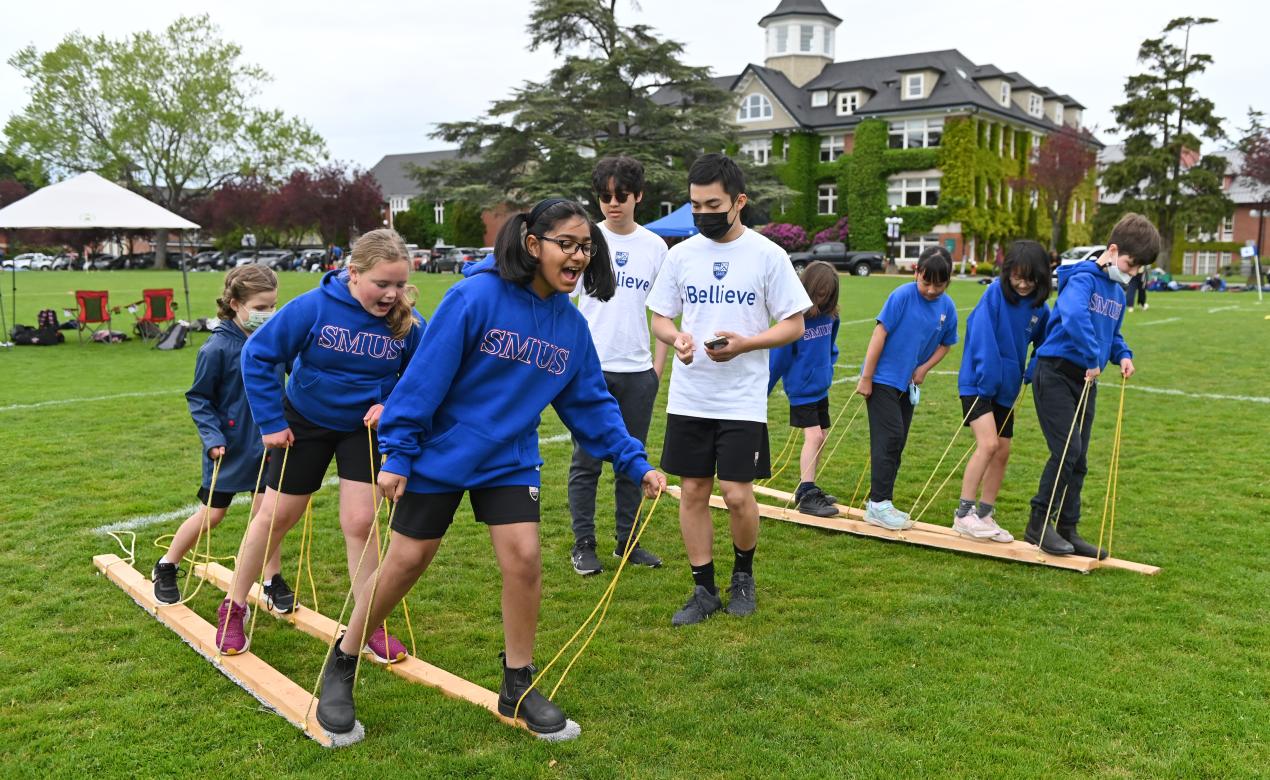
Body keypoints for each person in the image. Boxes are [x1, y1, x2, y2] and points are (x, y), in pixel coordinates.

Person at [313, 198, 667, 738]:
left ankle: (518, 684)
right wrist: (400, 451)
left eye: (585, 247)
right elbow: (424, 379)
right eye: (566, 244)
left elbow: (592, 405)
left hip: (509, 457)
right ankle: (344, 658)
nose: (577, 256)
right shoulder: (474, 296)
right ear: (533, 244)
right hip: (442, 453)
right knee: (407, 562)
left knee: (525, 559)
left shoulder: (571, 328)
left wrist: (633, 460)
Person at [215, 229, 425, 659]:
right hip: (303, 424)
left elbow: (423, 377)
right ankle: (234, 607)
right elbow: (257, 355)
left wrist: (391, 403)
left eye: (399, 284)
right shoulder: (313, 307)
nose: (391, 294)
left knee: (361, 522)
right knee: (276, 517)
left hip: (361, 430)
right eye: (381, 284)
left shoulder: (406, 322)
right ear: (352, 273)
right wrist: (271, 421)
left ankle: (369, 621)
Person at [647, 153, 811, 626]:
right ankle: (703, 589)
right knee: (693, 491)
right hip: (691, 397)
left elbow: (795, 324)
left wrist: (746, 345)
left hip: (741, 399)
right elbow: (660, 315)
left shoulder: (767, 255)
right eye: (696, 205)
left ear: (738, 202)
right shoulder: (681, 255)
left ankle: (743, 575)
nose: (702, 215)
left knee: (738, 495)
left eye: (712, 204)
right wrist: (674, 336)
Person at [152, 266, 292, 608]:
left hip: (269, 444)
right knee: (212, 515)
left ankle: (272, 581)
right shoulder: (215, 348)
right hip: (227, 449)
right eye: (261, 306)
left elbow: (294, 377)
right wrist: (213, 437)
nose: (269, 314)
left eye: (273, 306)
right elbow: (199, 398)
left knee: (268, 516)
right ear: (234, 303)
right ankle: (167, 565)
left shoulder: (272, 342)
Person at [1026, 213, 1160, 557]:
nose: (1132, 273)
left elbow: (1111, 335)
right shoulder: (1083, 280)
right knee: (1067, 450)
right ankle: (1038, 524)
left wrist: (1123, 354)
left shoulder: (1116, 292)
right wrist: (1091, 357)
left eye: (1138, 270)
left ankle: (1069, 528)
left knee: (1080, 458)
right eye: (1130, 265)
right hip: (1055, 372)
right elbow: (1073, 318)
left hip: (1086, 379)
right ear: (1113, 251)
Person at [568, 156, 669, 575]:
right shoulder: (583, 242)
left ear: (638, 196)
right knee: (586, 462)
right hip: (590, 373)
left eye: (620, 196)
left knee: (633, 462)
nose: (612, 203)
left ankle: (627, 542)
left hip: (638, 372)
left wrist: (656, 370)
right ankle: (583, 544)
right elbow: (563, 304)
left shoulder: (656, 247)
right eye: (605, 196)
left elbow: (664, 311)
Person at [952, 240, 1052, 542]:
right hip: (978, 384)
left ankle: (984, 513)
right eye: (1017, 277)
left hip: (1006, 390)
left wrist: (1034, 366)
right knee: (988, 445)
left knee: (1003, 452)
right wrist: (987, 378)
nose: (1022, 284)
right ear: (1007, 273)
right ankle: (963, 515)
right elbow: (980, 335)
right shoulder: (993, 294)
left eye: (1030, 279)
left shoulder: (1040, 308)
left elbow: (1046, 342)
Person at [855, 247, 958, 530]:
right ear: (916, 272)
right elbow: (880, 333)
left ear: (948, 281)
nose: (931, 290)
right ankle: (877, 505)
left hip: (907, 383)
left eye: (939, 284)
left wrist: (923, 369)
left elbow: (947, 343)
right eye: (926, 282)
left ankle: (883, 502)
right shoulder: (901, 295)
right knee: (889, 438)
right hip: (883, 379)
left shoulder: (947, 307)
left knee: (897, 443)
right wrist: (867, 376)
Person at [767, 260, 841, 518]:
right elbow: (778, 359)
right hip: (801, 388)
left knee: (823, 436)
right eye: (819, 293)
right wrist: (761, 391)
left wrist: (828, 365)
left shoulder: (831, 315)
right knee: (814, 437)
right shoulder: (795, 320)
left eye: (828, 294)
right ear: (807, 288)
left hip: (821, 386)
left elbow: (831, 344)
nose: (823, 298)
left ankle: (806, 488)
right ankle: (808, 494)